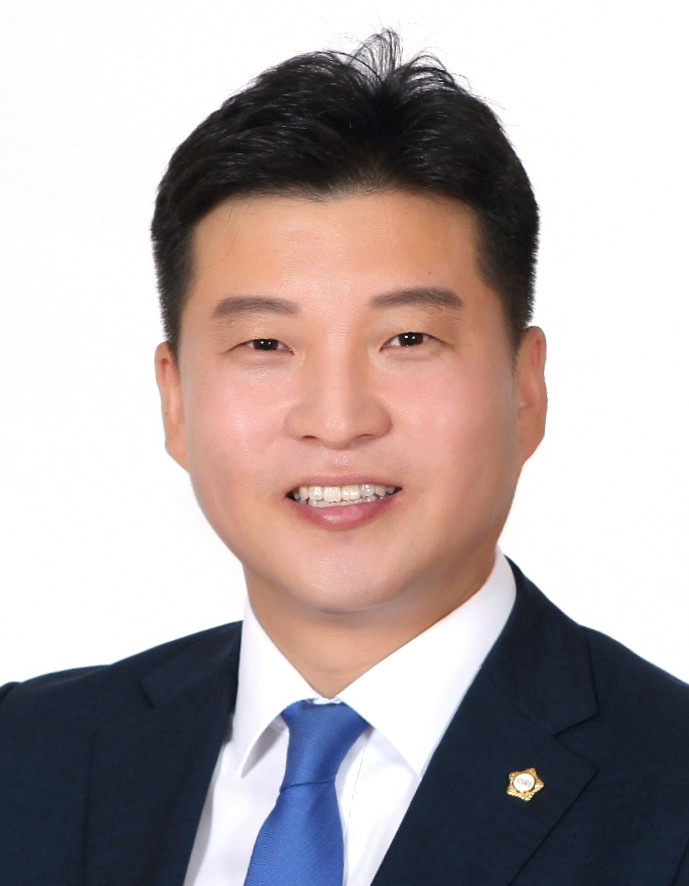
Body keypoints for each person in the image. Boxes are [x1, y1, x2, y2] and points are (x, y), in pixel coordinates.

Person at [1, 30, 688, 886]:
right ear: (175, 400)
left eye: (407, 339)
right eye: (264, 343)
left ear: (524, 388)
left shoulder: (667, 788)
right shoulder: (27, 758)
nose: (336, 421)